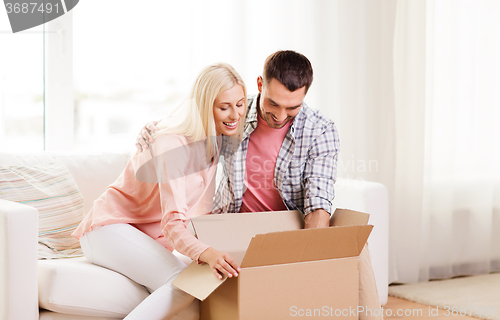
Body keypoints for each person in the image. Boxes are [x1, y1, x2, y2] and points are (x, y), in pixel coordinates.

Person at [136, 51, 383, 320]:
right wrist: (153, 129)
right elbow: (192, 121)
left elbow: (318, 197)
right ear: (259, 84)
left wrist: (311, 252)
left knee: (356, 245)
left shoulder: (320, 130)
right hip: (237, 225)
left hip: (291, 226)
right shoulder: (237, 112)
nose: (279, 115)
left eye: (292, 108)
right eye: (273, 103)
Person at [72, 62, 247, 320]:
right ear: (204, 106)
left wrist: (216, 252)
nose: (235, 115)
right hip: (106, 229)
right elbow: (173, 222)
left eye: (240, 104)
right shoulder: (170, 143)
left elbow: (201, 214)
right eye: (224, 107)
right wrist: (206, 253)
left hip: (145, 237)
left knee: (201, 280)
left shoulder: (214, 144)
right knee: (182, 282)